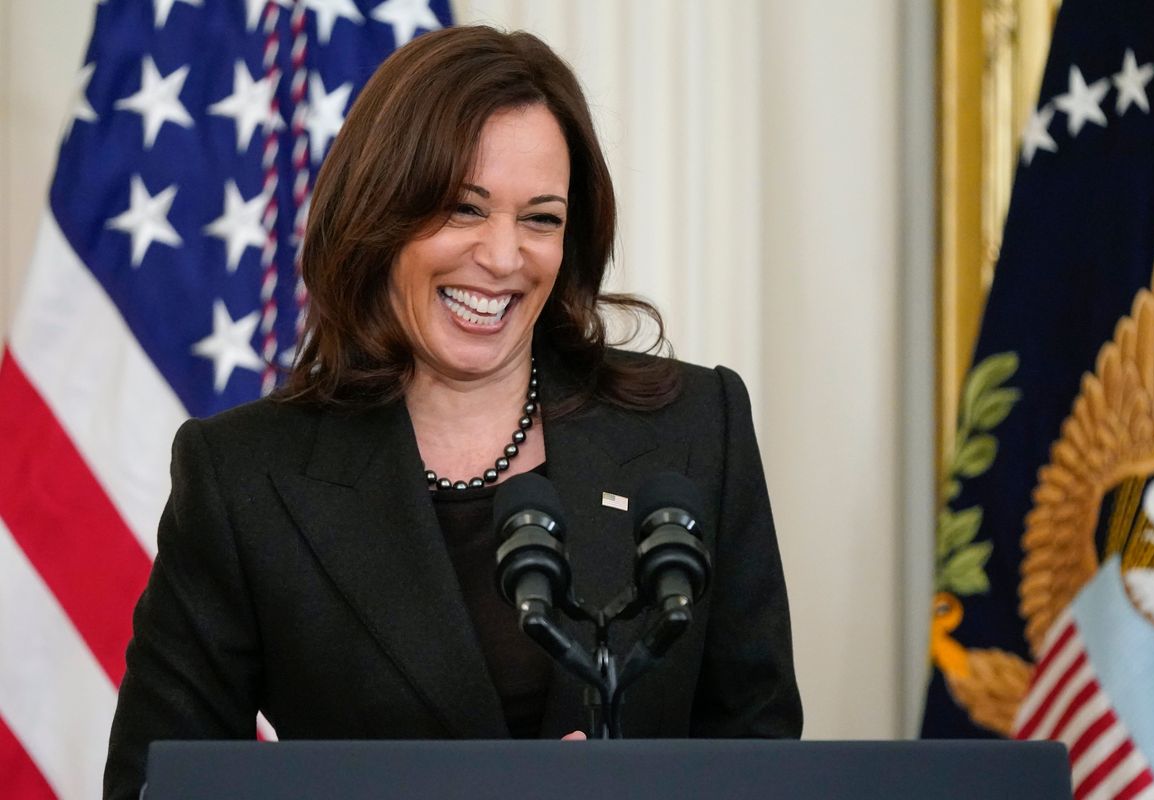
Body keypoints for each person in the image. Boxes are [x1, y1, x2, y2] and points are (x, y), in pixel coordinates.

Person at [103, 25, 802, 799]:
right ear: (379, 215)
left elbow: (759, 755)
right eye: (464, 209)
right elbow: (153, 787)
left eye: (540, 218)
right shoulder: (243, 478)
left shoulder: (697, 427)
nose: (504, 257)